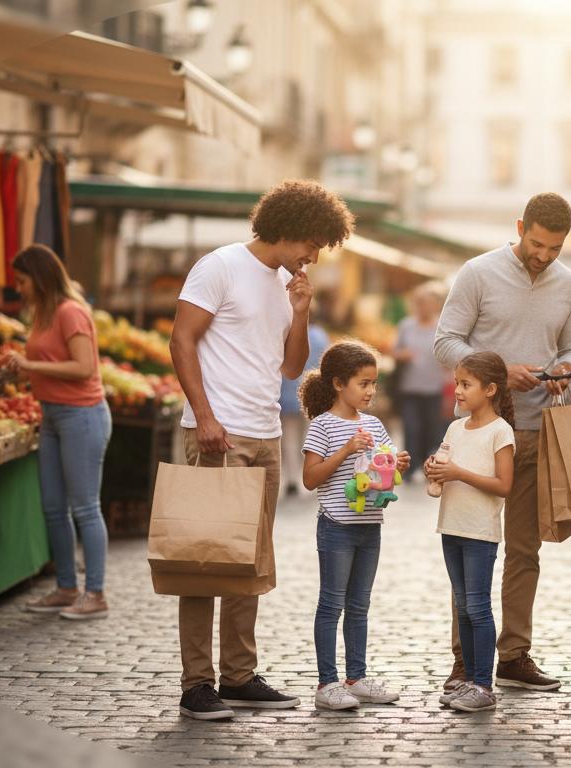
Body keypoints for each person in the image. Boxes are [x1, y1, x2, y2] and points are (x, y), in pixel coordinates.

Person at [168, 180, 354, 720]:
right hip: (218, 433)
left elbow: (292, 368)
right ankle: (196, 684)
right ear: (290, 227)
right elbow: (181, 340)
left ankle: (238, 675)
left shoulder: (285, 284)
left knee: (248, 559)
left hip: (265, 433)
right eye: (313, 243)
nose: (314, 255)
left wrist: (301, 311)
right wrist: (204, 416)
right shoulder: (220, 266)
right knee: (205, 558)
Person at [434, 192, 571, 693]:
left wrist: (565, 369)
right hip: (478, 432)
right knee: (471, 545)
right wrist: (499, 370)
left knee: (524, 550)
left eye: (555, 248)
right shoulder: (477, 272)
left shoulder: (569, 284)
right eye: (537, 244)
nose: (544, 255)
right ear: (521, 227)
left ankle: (514, 654)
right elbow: (445, 343)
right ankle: (465, 659)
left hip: (538, 430)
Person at [299, 341, 411, 710]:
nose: (370, 391)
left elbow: (383, 465)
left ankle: (356, 678)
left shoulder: (374, 424)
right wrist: (346, 450)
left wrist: (398, 463)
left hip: (369, 525)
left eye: (373, 383)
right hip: (336, 526)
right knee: (331, 604)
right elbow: (310, 478)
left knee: (359, 605)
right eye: (363, 383)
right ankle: (326, 683)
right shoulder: (322, 425)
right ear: (338, 384)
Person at [8, 244, 111, 621]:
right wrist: (23, 372)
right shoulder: (42, 313)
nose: (18, 288)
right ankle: (66, 587)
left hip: (82, 416)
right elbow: (49, 362)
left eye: (22, 280)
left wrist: (31, 365)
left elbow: (84, 368)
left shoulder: (70, 311)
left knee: (85, 507)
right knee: (53, 507)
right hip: (51, 416)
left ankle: (95, 593)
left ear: (39, 278)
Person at [426, 351, 517, 712]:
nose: (458, 390)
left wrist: (458, 473)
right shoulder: (455, 428)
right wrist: (434, 469)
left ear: (490, 389)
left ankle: (483, 685)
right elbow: (446, 463)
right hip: (452, 526)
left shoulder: (500, 431)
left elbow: (504, 485)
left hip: (480, 531)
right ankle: (467, 679)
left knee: (478, 606)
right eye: (457, 383)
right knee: (462, 606)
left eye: (466, 384)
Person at [393, 282, 449, 483]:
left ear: (436, 305)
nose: (422, 306)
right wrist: (402, 355)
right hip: (410, 387)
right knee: (411, 427)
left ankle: (426, 465)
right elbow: (394, 351)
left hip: (434, 388)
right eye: (419, 302)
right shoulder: (406, 326)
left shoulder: (442, 326)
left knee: (432, 429)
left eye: (426, 302)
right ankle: (409, 468)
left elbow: (448, 356)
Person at [279, 312, 330, 497]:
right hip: (313, 395)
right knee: (312, 438)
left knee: (289, 440)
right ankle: (310, 477)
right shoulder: (320, 336)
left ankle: (292, 480)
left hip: (287, 393)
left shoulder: (285, 333)